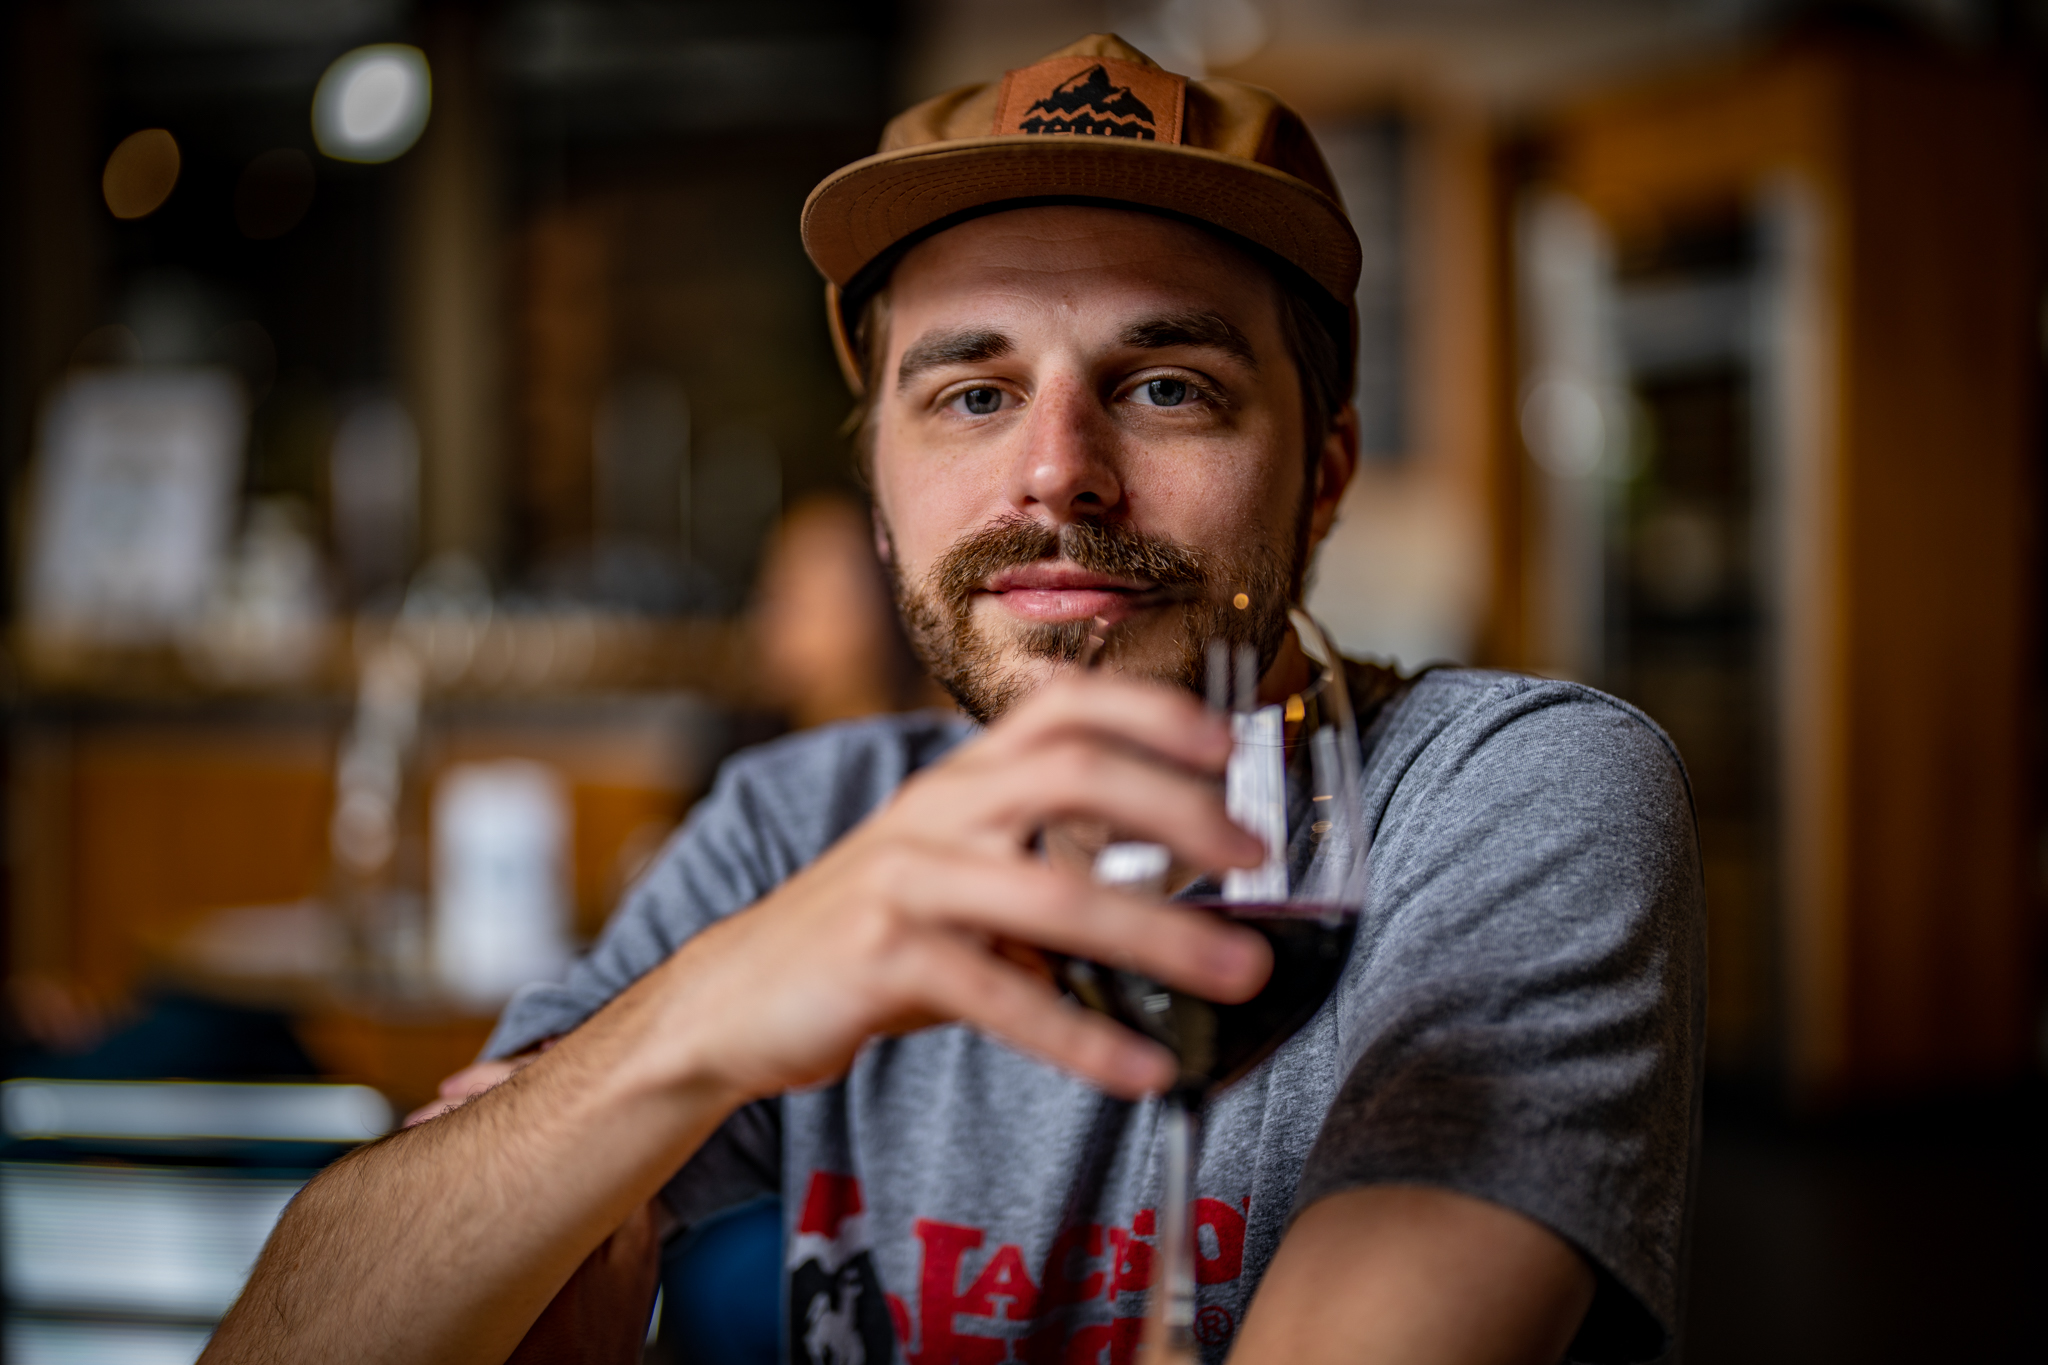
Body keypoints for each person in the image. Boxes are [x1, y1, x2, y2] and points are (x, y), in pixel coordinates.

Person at [206, 34, 1704, 1365]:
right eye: (972, 395)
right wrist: (695, 1021)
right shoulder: (796, 825)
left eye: (1169, 383)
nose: (1057, 468)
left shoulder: (1513, 795)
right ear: (877, 498)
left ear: (1324, 470)